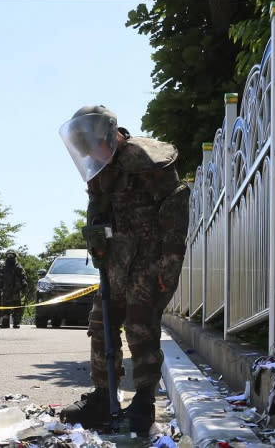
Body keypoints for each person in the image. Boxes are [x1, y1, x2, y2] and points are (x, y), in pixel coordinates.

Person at [57, 105, 190, 436]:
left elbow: (175, 205)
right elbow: (96, 207)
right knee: (100, 323)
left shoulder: (147, 159)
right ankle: (103, 398)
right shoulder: (99, 168)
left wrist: (170, 261)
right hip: (117, 260)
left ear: (109, 135)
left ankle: (143, 403)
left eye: (93, 145)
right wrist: (95, 239)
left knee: (140, 326)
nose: (91, 153)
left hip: (150, 259)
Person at [0, 249, 27, 328]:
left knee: (17, 307)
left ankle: (16, 322)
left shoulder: (18, 266)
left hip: (16, 290)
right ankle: (5, 321)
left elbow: (23, 276)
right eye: (8, 255)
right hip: (6, 289)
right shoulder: (4, 266)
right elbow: (0, 276)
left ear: (14, 256)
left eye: (11, 255)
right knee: (5, 306)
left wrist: (24, 283)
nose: (10, 257)